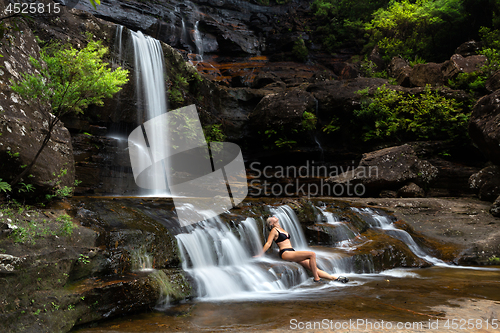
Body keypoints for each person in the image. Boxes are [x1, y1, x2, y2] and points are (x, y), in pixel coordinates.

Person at [255, 216, 349, 283]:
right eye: (271, 218)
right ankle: (316, 279)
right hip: (285, 253)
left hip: (292, 251)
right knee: (312, 254)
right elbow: (268, 243)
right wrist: (260, 254)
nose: (274, 216)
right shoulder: (274, 231)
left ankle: (334, 278)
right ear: (271, 223)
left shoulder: (281, 229)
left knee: (313, 268)